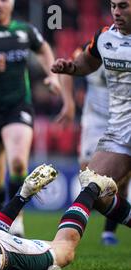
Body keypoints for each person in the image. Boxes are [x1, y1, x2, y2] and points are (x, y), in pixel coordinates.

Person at [0, 0, 67, 237]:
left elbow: (44, 49)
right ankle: (0, 218)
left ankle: (16, 216)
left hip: (18, 106)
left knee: (17, 161)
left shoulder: (24, 30)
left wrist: (52, 76)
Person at [51, 0, 131, 235]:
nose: (116, 12)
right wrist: (72, 68)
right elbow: (87, 62)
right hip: (118, 132)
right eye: (113, 6)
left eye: (124, 6)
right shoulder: (106, 38)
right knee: (91, 187)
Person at [59, 45, 130, 245]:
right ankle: (77, 227)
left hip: (122, 121)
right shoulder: (95, 48)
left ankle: (108, 232)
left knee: (120, 181)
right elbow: (68, 69)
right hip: (95, 120)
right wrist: (69, 103)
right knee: (88, 178)